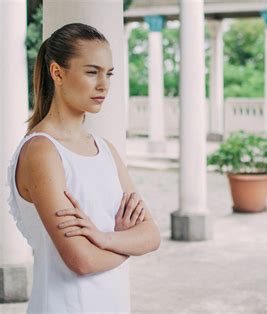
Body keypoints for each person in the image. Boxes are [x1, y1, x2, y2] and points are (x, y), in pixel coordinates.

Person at [6, 23, 161, 313]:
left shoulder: (104, 149)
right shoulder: (42, 151)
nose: (104, 84)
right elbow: (81, 260)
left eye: (108, 73)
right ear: (57, 72)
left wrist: (104, 239)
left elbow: (152, 235)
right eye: (92, 72)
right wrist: (128, 244)